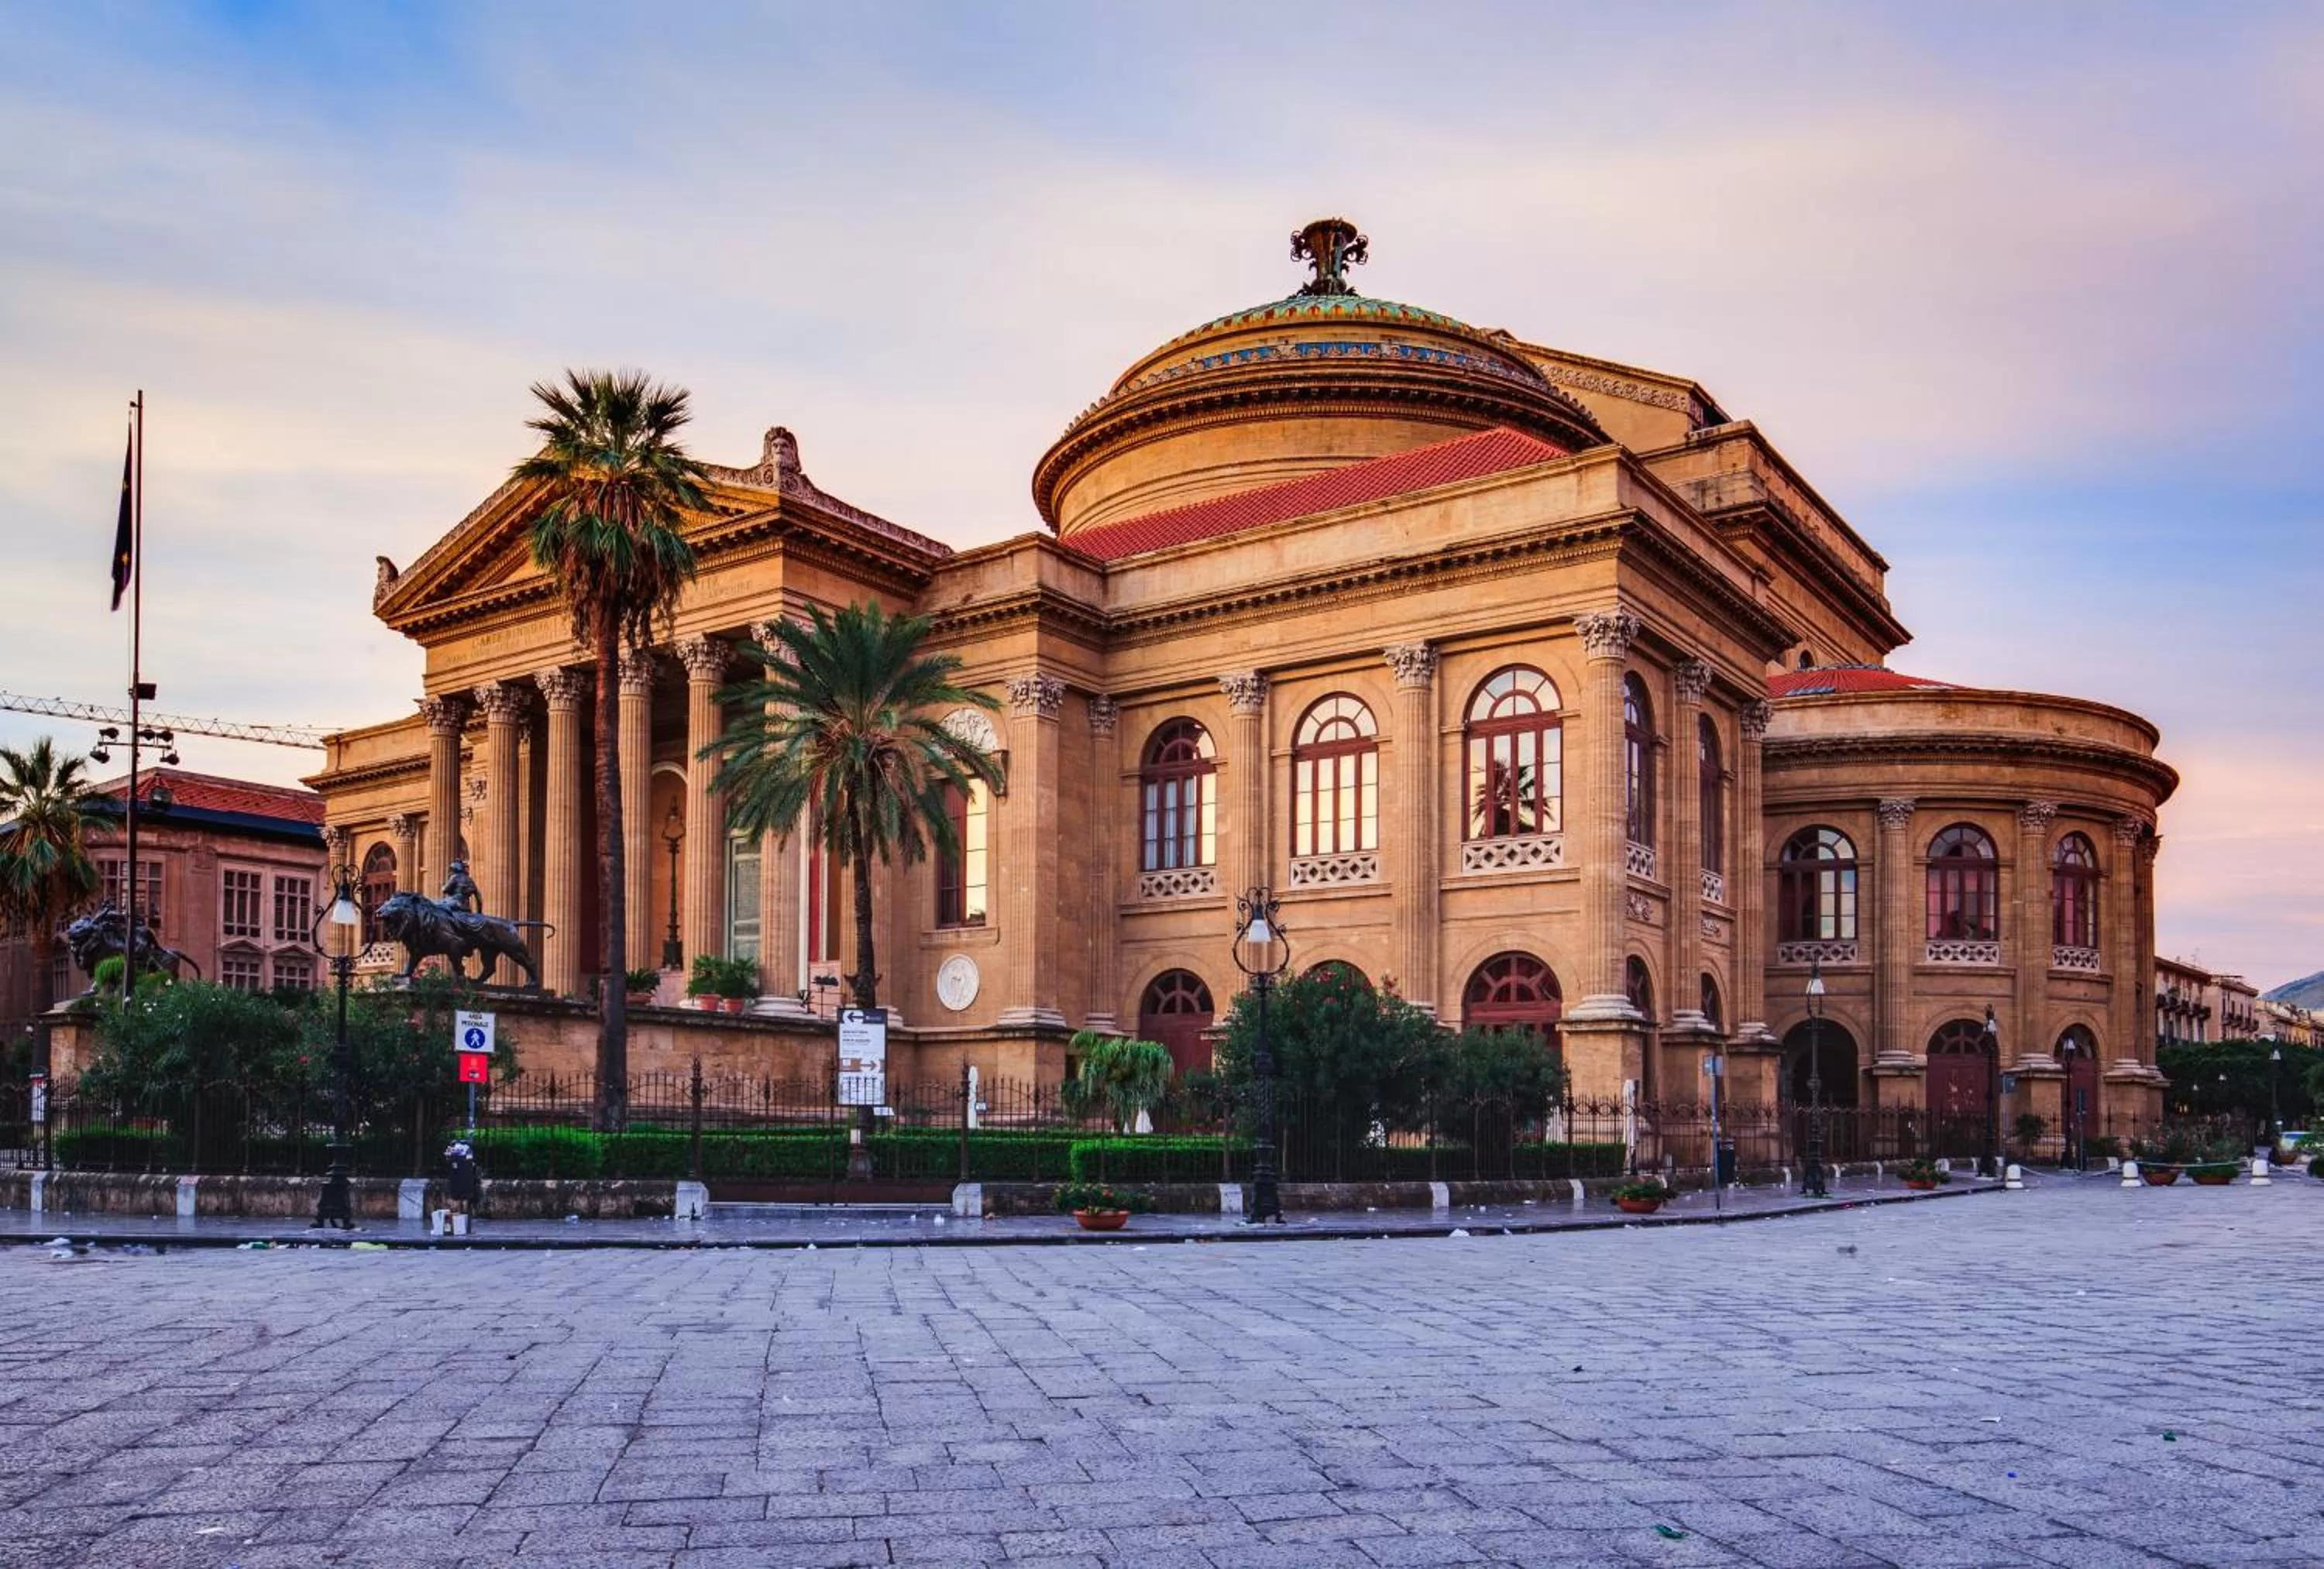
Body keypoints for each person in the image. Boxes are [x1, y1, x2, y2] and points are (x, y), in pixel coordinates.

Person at [435, 1140, 482, 1236]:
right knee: (463, 1200)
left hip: (459, 1183)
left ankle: (461, 1224)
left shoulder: (456, 1151)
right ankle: (462, 1225)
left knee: (459, 1200)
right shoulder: (466, 1152)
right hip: (465, 1183)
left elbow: (449, 1158)